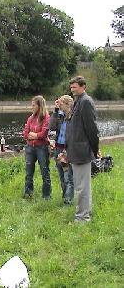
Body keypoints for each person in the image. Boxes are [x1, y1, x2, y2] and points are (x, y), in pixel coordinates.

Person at [66, 76, 99, 222]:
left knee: (82, 187)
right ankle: (85, 212)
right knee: (81, 185)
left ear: (83, 86)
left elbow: (92, 129)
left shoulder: (85, 102)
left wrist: (95, 148)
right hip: (76, 150)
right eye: (71, 87)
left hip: (82, 151)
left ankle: (82, 218)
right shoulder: (78, 101)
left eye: (75, 87)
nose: (72, 89)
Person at [22, 95, 51, 199]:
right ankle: (28, 193)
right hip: (30, 148)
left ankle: (46, 195)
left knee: (44, 171)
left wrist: (34, 135)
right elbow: (25, 134)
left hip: (42, 148)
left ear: (39, 106)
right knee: (28, 172)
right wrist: (35, 135)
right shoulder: (31, 118)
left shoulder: (46, 118)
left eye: (33, 105)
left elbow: (43, 134)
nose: (32, 107)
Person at [49, 95, 74, 204]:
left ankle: (68, 201)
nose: (59, 105)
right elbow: (52, 127)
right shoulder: (60, 116)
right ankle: (65, 197)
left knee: (68, 176)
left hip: (67, 149)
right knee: (61, 175)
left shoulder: (73, 118)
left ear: (67, 105)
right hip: (58, 148)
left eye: (61, 104)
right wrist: (55, 111)